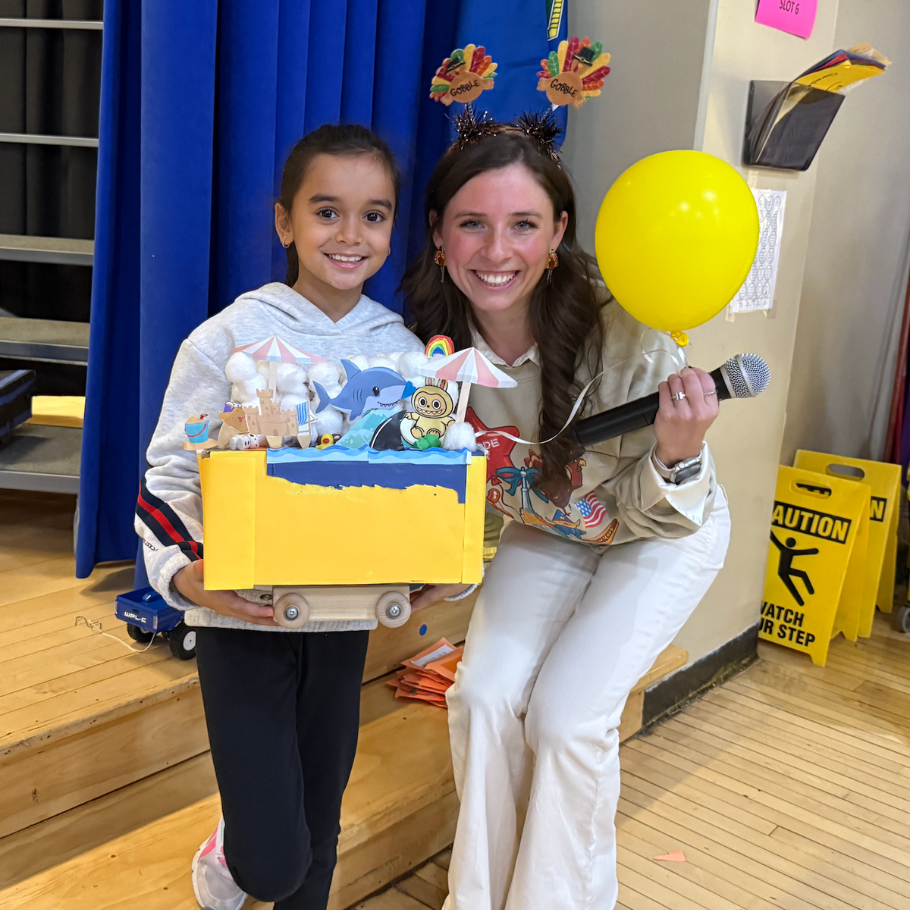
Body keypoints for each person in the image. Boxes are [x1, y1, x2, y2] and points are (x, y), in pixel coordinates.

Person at [403, 118, 731, 910]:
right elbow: (440, 482)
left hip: (661, 526)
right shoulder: (425, 344)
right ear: (440, 237)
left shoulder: (628, 339)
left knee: (566, 719)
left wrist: (678, 453)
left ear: (556, 236)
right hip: (556, 526)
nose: (496, 250)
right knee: (481, 697)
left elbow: (653, 512)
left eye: (522, 225)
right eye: (472, 224)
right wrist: (429, 571)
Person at [136, 124, 424, 910]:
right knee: (271, 861)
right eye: (327, 211)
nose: (351, 234)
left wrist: (436, 574)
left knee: (318, 830)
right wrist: (188, 574)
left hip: (342, 625)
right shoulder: (226, 339)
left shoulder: (403, 352)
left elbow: (429, 482)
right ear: (284, 222)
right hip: (244, 625)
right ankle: (229, 855)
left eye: (374, 214)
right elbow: (167, 473)